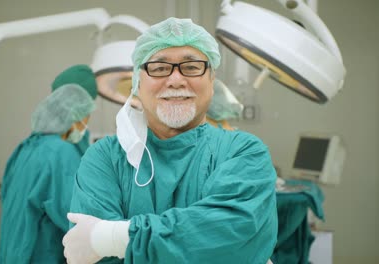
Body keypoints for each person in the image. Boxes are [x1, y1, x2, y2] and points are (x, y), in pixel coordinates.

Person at [63, 18, 278, 264]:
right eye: (159, 67)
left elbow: (234, 235)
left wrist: (111, 238)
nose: (176, 80)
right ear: (137, 82)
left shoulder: (243, 152)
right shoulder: (105, 158)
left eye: (192, 66)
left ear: (211, 79)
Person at [0, 65, 97, 264]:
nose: (85, 126)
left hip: (12, 252)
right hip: (39, 254)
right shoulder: (60, 153)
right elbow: (77, 219)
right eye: (84, 119)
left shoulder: (27, 147)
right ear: (73, 115)